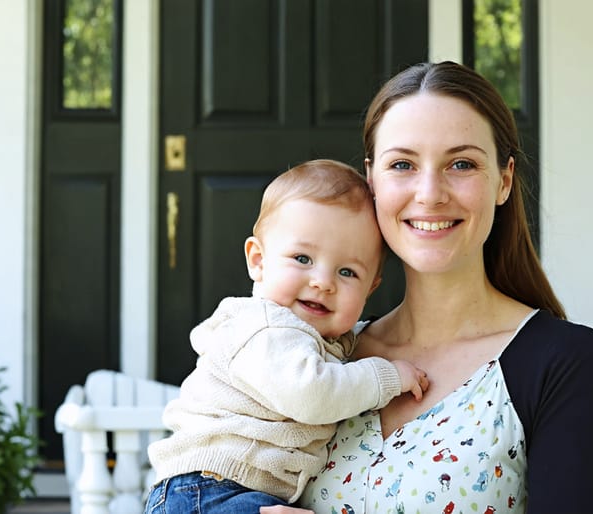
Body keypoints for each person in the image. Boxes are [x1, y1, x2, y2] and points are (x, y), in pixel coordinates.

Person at [261, 61, 593, 514]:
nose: (430, 193)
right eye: (402, 164)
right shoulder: (317, 354)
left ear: (504, 180)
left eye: (461, 164)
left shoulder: (567, 366)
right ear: (373, 180)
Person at [144, 159, 431, 514]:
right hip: (210, 489)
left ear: (371, 287)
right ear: (258, 261)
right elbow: (312, 394)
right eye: (302, 258)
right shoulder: (264, 328)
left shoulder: (319, 338)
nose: (323, 281)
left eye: (347, 272)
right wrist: (386, 375)